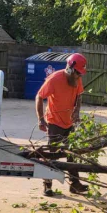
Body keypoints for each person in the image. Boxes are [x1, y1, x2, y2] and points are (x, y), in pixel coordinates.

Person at [36, 53, 90, 198]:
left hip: (69, 122)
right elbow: (39, 97)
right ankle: (47, 185)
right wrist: (41, 119)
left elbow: (79, 95)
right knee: (51, 154)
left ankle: (74, 184)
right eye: (78, 73)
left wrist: (76, 111)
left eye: (81, 74)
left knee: (72, 153)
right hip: (54, 122)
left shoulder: (77, 79)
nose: (80, 76)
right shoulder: (54, 79)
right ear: (71, 69)